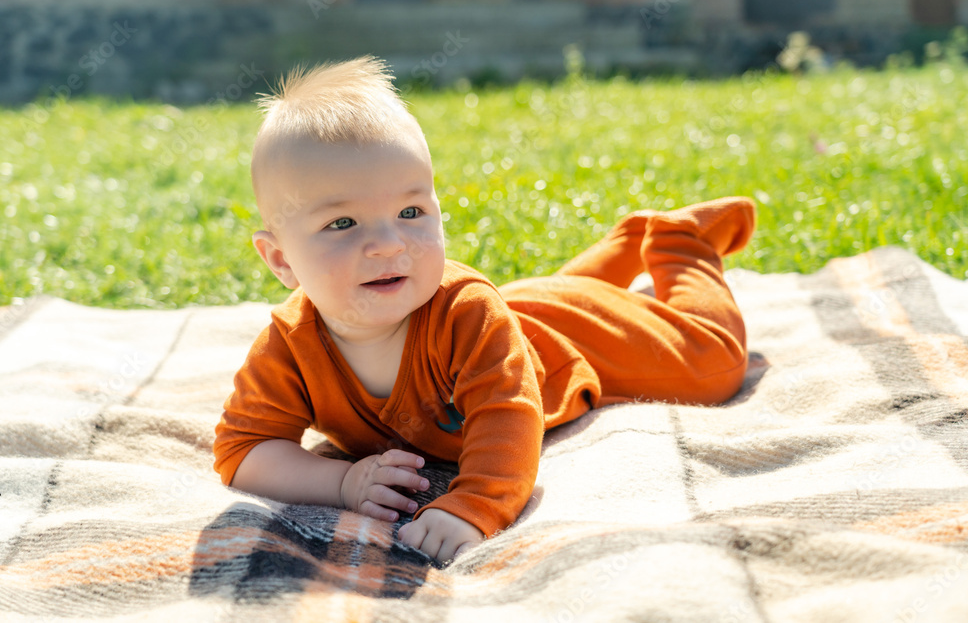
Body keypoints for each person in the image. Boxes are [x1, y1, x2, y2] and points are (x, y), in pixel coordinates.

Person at [213, 55, 755, 564]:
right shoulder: (289, 343)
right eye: (342, 223)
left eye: (410, 211)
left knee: (715, 365)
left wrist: (474, 503)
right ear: (282, 260)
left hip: (570, 343)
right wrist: (342, 482)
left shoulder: (467, 313)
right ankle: (623, 245)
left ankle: (680, 243)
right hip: (519, 315)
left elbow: (508, 418)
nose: (388, 244)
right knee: (537, 302)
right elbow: (243, 450)